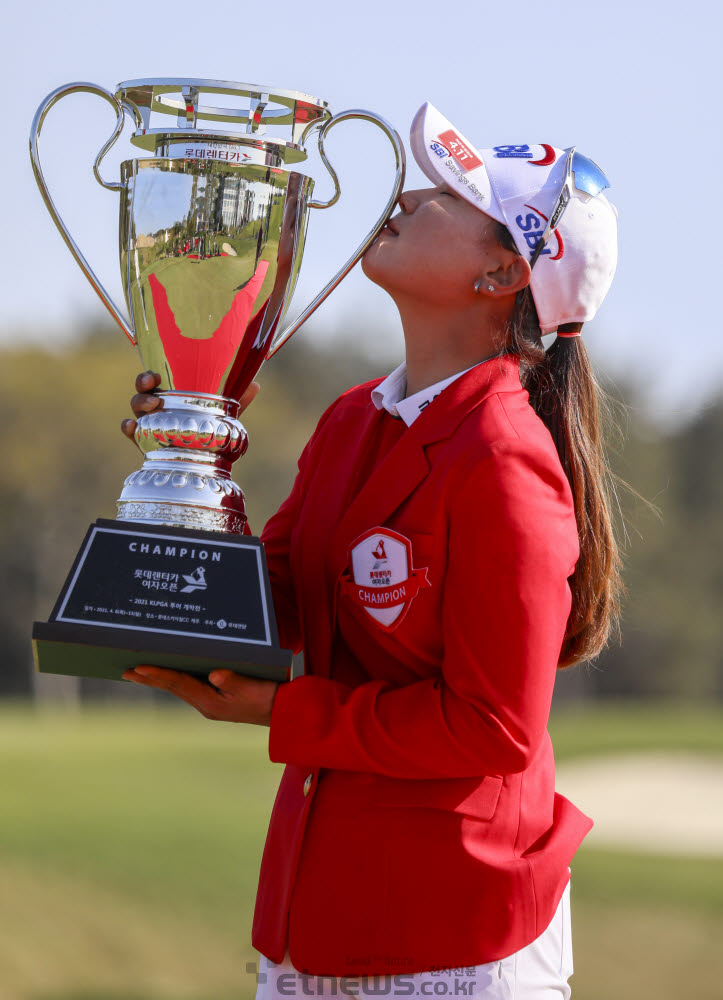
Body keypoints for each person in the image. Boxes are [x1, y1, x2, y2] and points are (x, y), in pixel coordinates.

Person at [121, 102, 621, 998]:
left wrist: (284, 714)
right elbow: (277, 597)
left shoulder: (504, 458)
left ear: (501, 271)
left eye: (450, 195)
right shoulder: (355, 416)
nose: (410, 194)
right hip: (319, 913)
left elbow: (493, 729)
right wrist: (179, 476)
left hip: (455, 927)